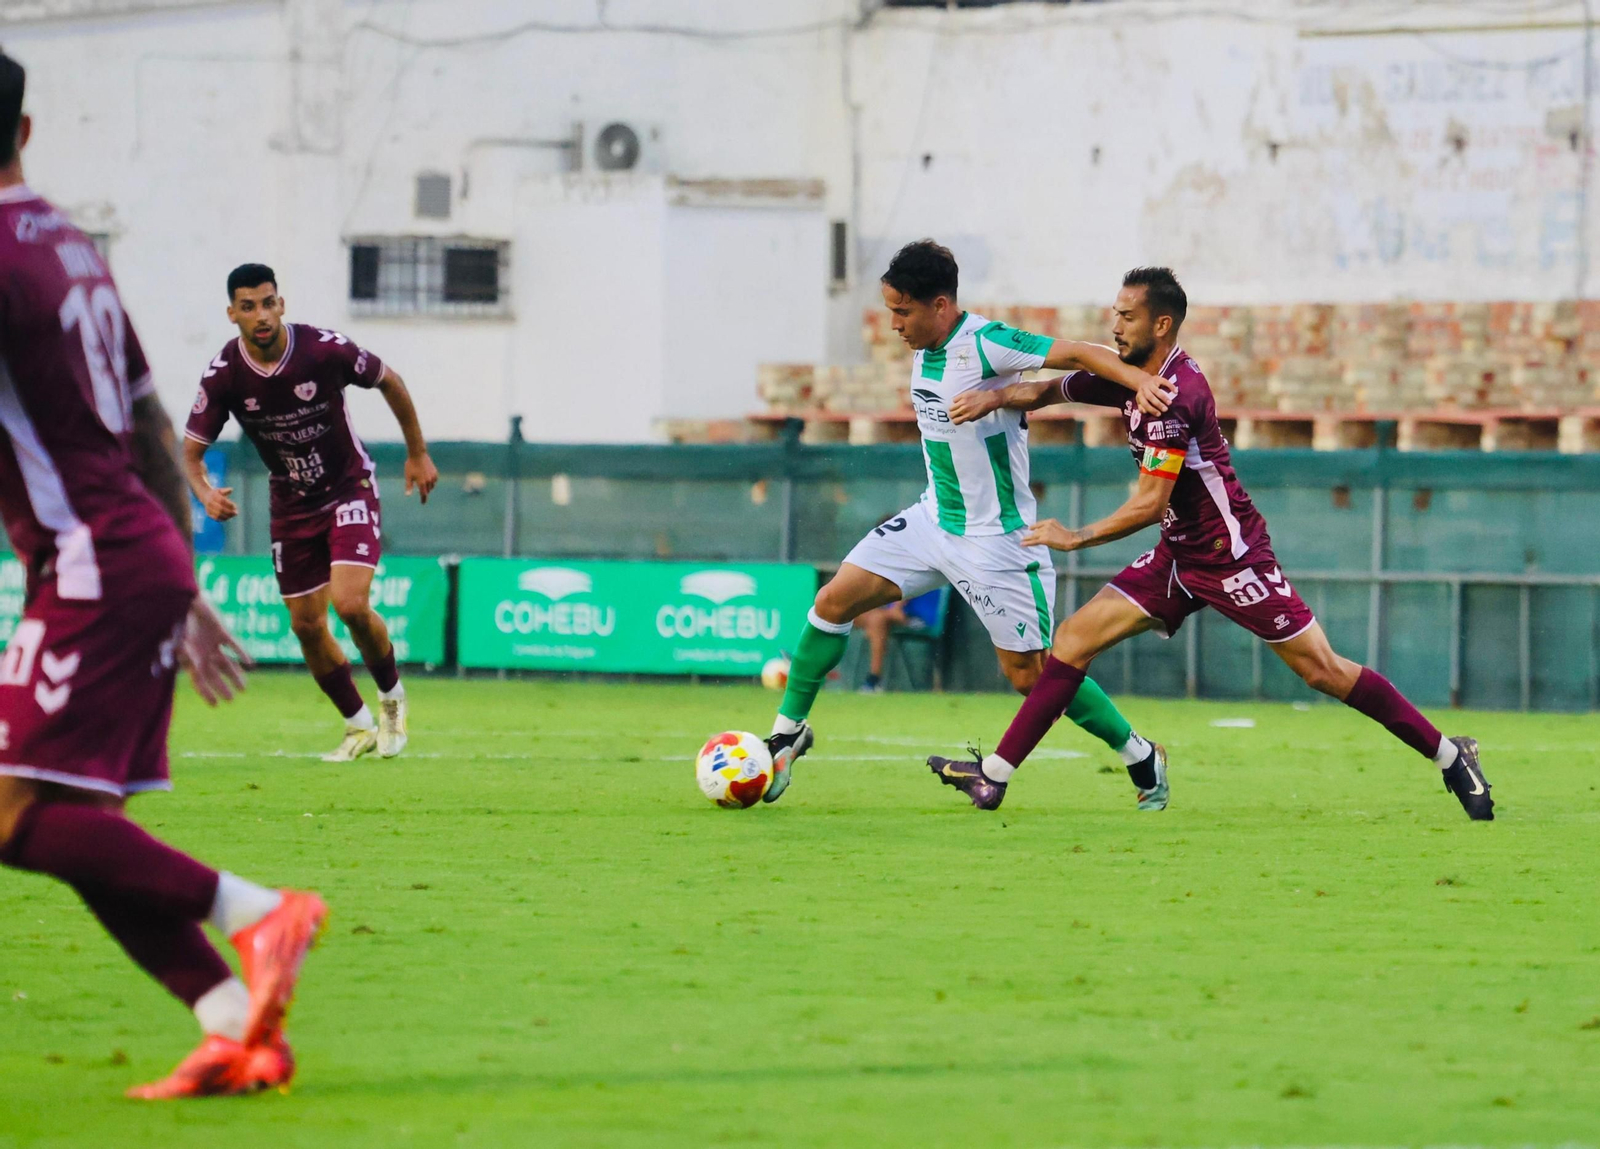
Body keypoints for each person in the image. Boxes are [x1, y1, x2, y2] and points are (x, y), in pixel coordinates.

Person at [0, 49, 327, 1099]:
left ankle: (258, 915)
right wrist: (178, 577)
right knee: (67, 820)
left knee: (12, 816)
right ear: (27, 132)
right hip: (122, 550)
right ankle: (236, 1025)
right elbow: (145, 420)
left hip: (92, 560)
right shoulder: (70, 248)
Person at [927, 267, 1492, 820]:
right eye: (1115, 314)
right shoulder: (1134, 374)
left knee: (1322, 670)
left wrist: (1076, 537)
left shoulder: (1173, 396)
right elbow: (1055, 387)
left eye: (1128, 317)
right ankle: (994, 775)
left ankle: (1450, 755)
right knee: (1073, 640)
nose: (1115, 326)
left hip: (1231, 557)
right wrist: (997, 399)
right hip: (1178, 555)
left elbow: (1149, 503)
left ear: (1163, 324)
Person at [765, 240, 1173, 810]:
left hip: (998, 542)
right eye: (890, 310)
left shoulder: (985, 341)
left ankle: (1138, 753)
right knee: (833, 602)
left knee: (1033, 678)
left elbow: (1080, 353)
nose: (895, 324)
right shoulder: (924, 346)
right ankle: (787, 735)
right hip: (933, 521)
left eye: (903, 311)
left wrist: (1140, 384)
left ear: (940, 304)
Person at [183, 264, 439, 761]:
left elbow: (391, 380)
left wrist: (417, 452)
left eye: (268, 302)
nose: (261, 315)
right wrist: (206, 493)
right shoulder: (224, 375)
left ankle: (391, 699)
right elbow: (191, 454)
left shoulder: (323, 349)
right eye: (248, 306)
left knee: (349, 604)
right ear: (232, 313)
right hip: (292, 502)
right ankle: (357, 724)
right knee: (305, 625)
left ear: (281, 304)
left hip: (348, 488)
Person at [856, 588, 942, 693]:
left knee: (877, 619)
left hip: (920, 618)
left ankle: (874, 679)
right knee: (858, 615)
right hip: (899, 616)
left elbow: (898, 611)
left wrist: (896, 608)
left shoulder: (916, 577)